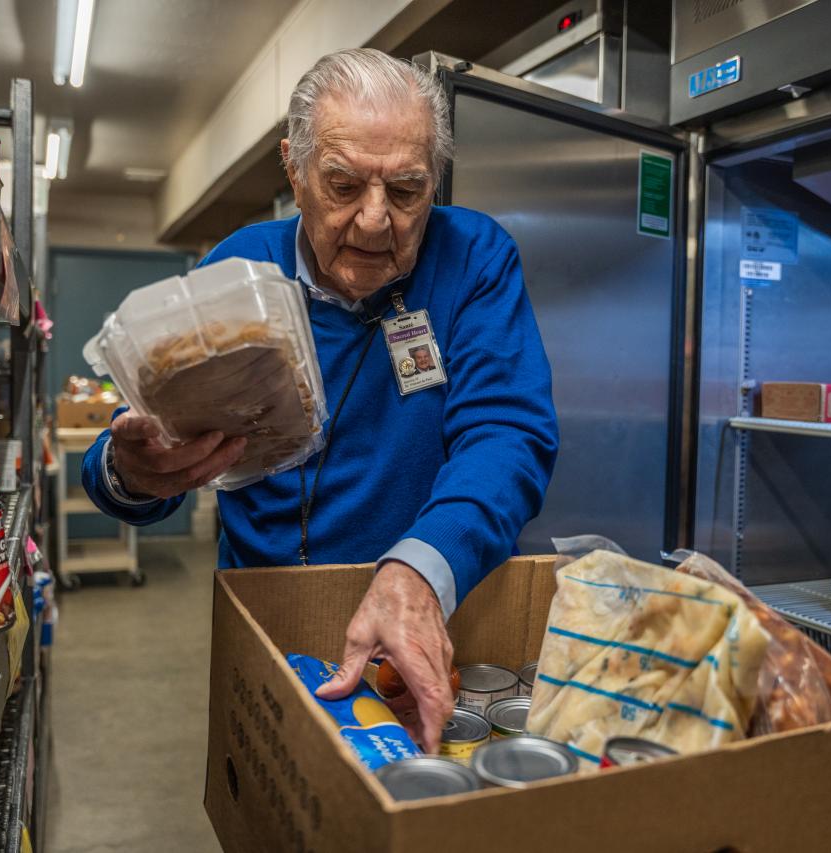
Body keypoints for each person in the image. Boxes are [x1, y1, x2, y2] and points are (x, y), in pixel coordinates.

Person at [81, 48, 558, 752]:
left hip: (434, 608)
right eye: (343, 185)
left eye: (406, 191)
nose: (375, 222)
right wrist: (133, 472)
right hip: (276, 618)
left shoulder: (474, 256)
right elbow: (130, 448)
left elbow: (507, 433)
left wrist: (421, 568)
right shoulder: (239, 269)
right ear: (294, 169)